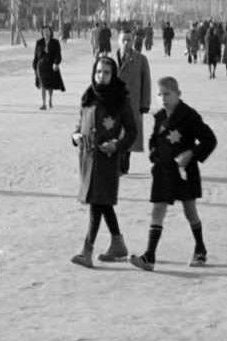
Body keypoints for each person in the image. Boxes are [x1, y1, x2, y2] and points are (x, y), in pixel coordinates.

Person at [128, 77, 217, 271]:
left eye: (168, 94)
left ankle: (200, 249)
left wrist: (192, 154)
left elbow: (210, 140)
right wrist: (153, 152)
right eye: (160, 95)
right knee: (157, 211)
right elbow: (153, 139)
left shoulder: (189, 116)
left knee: (190, 212)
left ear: (178, 94)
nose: (163, 98)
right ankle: (149, 257)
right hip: (162, 171)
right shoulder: (159, 116)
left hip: (184, 172)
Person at [70, 57, 139, 268]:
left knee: (97, 204)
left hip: (107, 160)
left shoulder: (120, 99)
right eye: (98, 71)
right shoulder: (89, 95)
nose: (101, 76)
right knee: (103, 202)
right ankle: (118, 244)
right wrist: (75, 136)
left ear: (113, 75)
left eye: (106, 73)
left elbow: (132, 132)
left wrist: (116, 145)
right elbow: (80, 122)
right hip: (87, 159)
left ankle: (87, 251)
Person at [115, 31, 151, 174]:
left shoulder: (141, 59)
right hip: (114, 104)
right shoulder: (111, 59)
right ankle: (118, 162)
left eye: (129, 40)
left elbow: (146, 82)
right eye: (123, 40)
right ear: (118, 41)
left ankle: (124, 162)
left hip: (133, 103)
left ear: (133, 41)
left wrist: (145, 104)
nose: (126, 43)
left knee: (129, 134)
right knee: (114, 132)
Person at [34, 26, 65, 110]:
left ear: (51, 32)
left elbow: (58, 55)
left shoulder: (55, 42)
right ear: (42, 33)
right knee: (43, 84)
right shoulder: (39, 42)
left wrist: (56, 63)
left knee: (50, 85)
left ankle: (50, 99)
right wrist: (34, 66)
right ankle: (44, 103)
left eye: (48, 31)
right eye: (44, 32)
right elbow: (36, 56)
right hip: (41, 66)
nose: (46, 33)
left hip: (51, 66)